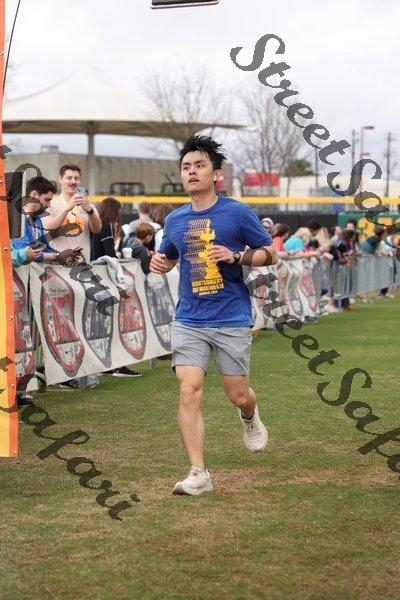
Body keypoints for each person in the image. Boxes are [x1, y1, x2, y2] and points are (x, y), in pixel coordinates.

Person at [150, 135, 277, 496]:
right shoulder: (174, 219)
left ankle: (249, 415)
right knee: (188, 389)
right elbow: (169, 256)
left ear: (216, 174)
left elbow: (270, 253)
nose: (191, 172)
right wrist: (160, 262)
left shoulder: (237, 213)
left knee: (238, 394)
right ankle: (198, 472)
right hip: (189, 318)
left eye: (199, 165)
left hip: (231, 316)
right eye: (186, 167)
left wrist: (236, 256)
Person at [12, 176, 81, 265]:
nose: (49, 205)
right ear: (34, 195)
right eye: (47, 200)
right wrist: (58, 256)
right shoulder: (19, 219)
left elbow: (44, 249)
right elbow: (27, 254)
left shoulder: (37, 219)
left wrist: (66, 256)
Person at [41, 164, 102, 262]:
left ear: (80, 180)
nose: (73, 182)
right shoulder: (50, 204)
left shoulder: (87, 205)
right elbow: (47, 229)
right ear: (60, 179)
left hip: (82, 263)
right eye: (69, 178)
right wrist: (66, 209)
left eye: (76, 178)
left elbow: (97, 230)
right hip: (57, 265)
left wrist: (90, 211)